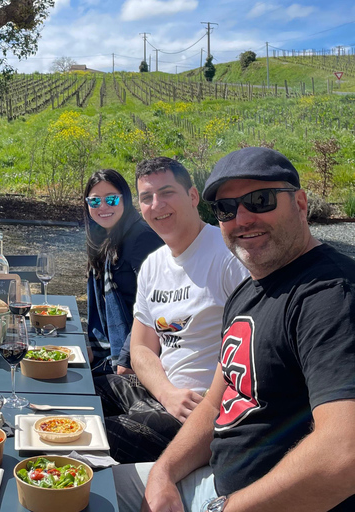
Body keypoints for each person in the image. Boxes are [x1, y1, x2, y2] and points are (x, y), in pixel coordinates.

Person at [114, 147, 355, 512]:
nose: (242, 219)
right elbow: (214, 404)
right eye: (226, 209)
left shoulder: (331, 296)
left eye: (260, 200)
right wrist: (162, 473)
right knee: (81, 489)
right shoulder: (248, 292)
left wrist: (225, 509)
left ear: (301, 204)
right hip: (213, 483)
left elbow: (343, 456)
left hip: (260, 502)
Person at [94, 157, 248, 464]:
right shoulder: (154, 264)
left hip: (200, 410)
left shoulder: (228, 257)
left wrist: (185, 401)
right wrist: (165, 392)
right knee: (78, 394)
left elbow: (246, 356)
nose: (157, 204)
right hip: (161, 393)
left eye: (167, 193)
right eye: (147, 198)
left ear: (192, 196)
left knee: (89, 435)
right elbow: (140, 348)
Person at [83, 169, 163, 375]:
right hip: (108, 351)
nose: (103, 207)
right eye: (94, 201)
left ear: (125, 199)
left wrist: (128, 359)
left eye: (111, 199)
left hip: (135, 360)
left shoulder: (142, 238)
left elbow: (155, 305)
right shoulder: (101, 239)